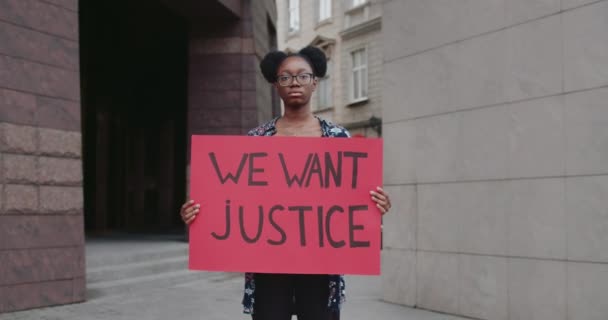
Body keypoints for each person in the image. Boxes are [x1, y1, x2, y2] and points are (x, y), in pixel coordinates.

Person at [180, 46, 391, 320]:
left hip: (321, 268)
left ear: (315, 82)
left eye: (303, 76)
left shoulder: (338, 138)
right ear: (275, 85)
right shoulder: (256, 139)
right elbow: (235, 200)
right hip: (269, 267)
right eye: (285, 77)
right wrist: (200, 213)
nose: (294, 83)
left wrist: (376, 205)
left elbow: (354, 198)